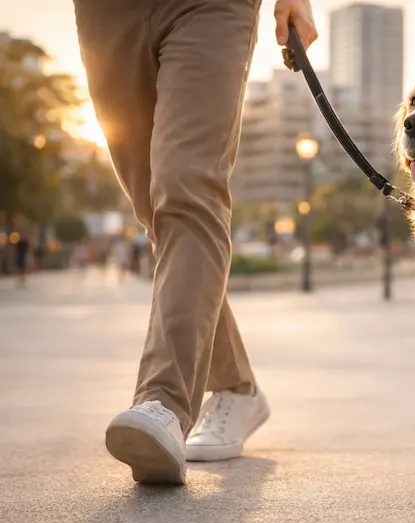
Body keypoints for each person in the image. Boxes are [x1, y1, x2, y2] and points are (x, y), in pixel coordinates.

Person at [73, 0, 318, 485]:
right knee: (158, 213)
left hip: (212, 7)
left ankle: (162, 403)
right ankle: (236, 386)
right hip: (105, 13)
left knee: (186, 186)